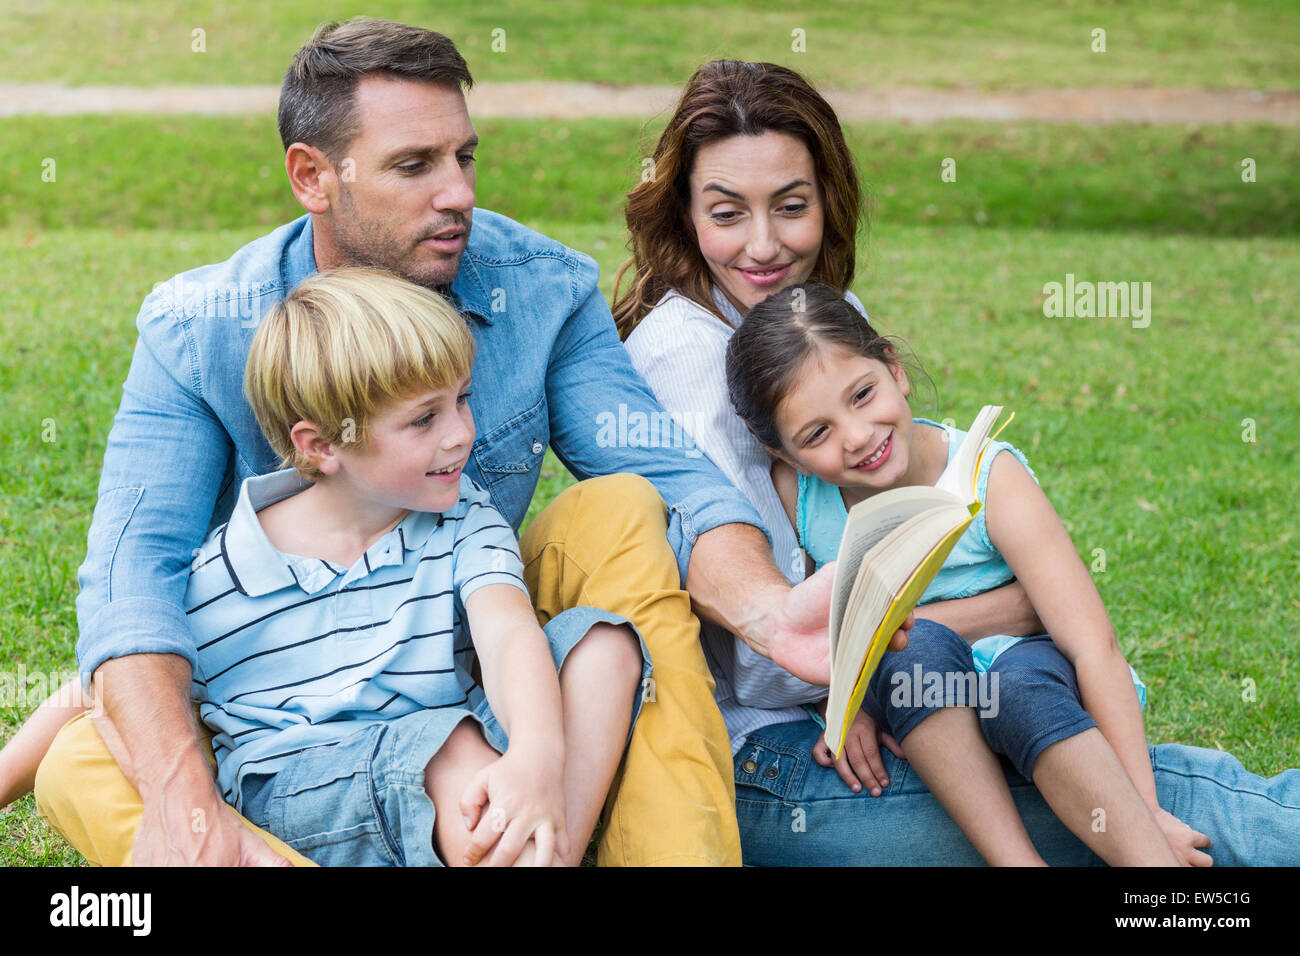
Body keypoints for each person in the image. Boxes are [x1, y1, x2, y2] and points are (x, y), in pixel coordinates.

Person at [23, 20, 873, 868]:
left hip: (466, 660)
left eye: (463, 157)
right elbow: (136, 580)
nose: (459, 192)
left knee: (618, 513)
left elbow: (673, 479)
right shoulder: (197, 330)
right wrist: (183, 791)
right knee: (80, 762)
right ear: (313, 176)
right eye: (414, 165)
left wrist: (768, 612)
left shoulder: (542, 288)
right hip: (280, 711)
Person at [614, 58, 1300, 865]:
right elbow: (783, 654)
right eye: (727, 213)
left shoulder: (816, 316)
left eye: (791, 207)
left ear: (829, 201)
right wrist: (1015, 606)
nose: (764, 246)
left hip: (909, 699)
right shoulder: (692, 364)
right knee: (1160, 802)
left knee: (1056, 735)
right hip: (778, 757)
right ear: (685, 213)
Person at [12, 268, 650, 866]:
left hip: (457, 746)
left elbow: (509, 633)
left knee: (604, 644)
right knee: (446, 750)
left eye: (462, 399)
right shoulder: (219, 577)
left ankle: (542, 841)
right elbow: (103, 688)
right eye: (424, 418)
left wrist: (537, 753)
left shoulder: (462, 519)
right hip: (305, 783)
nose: (460, 434)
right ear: (320, 447)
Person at [727, 282, 1190, 865]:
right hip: (924, 698)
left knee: (1015, 687)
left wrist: (1146, 807)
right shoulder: (803, 498)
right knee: (911, 648)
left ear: (894, 369)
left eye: (862, 394)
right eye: (816, 434)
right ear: (787, 455)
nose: (857, 436)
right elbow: (840, 629)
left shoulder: (988, 476)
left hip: (1029, 676)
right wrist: (850, 713)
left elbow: (1094, 645)